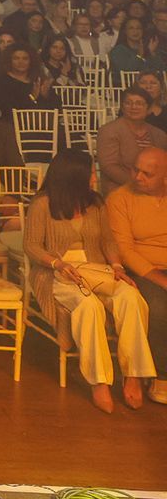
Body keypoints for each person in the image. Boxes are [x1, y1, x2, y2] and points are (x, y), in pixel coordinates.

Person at [26, 148, 156, 411]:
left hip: (97, 269)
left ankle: (133, 375)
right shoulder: (42, 204)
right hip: (58, 273)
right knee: (90, 306)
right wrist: (58, 263)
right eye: (90, 173)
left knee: (131, 297)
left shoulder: (95, 203)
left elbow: (108, 241)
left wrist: (117, 266)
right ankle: (100, 381)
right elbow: (31, 246)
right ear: (74, 177)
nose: (95, 178)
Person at [105, 146, 167, 405]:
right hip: (142, 269)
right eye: (135, 170)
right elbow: (125, 250)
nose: (138, 177)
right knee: (159, 307)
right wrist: (162, 280)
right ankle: (161, 374)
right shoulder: (120, 198)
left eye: (147, 174)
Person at [97, 88, 167, 190]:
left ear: (148, 108)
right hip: (121, 188)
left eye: (139, 103)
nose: (133, 107)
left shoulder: (159, 134)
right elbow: (109, 166)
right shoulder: (109, 131)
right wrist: (138, 184)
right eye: (128, 103)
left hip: (154, 190)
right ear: (122, 106)